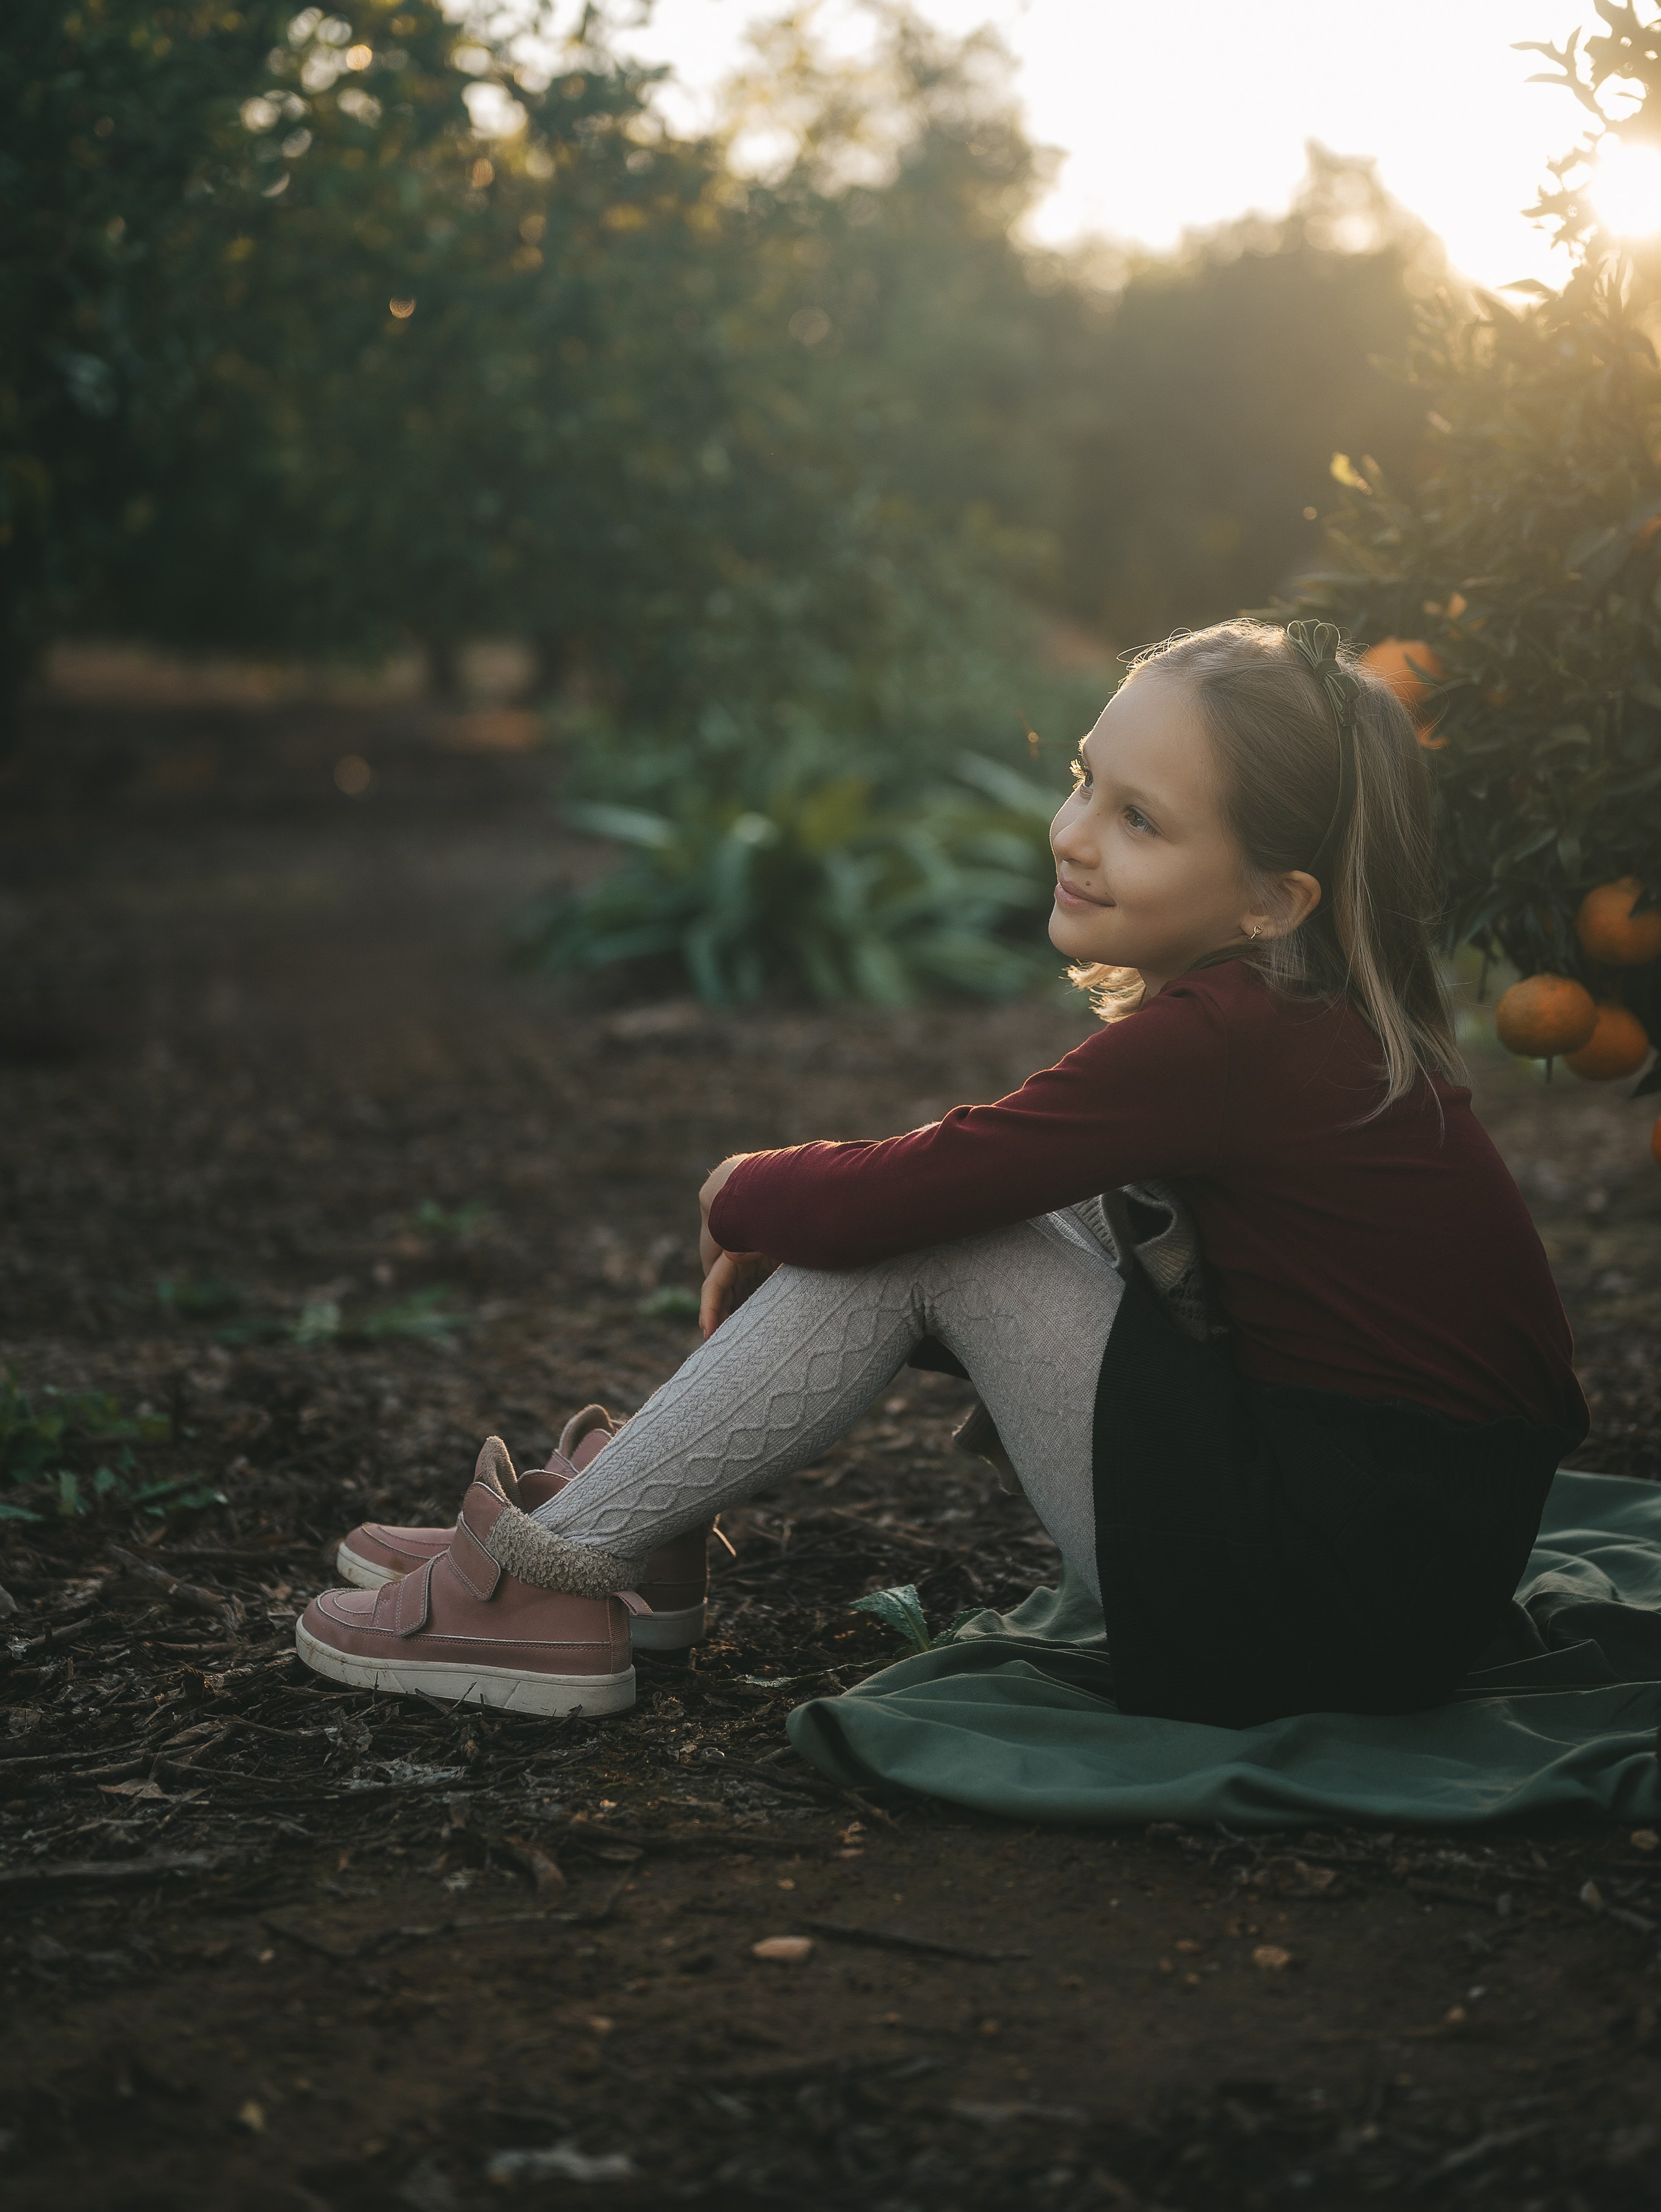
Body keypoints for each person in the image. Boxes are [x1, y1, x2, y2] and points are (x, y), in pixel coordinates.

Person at [297, 619, 1587, 1727]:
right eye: (1085, 780)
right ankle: (628, 1525)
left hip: (1314, 1618)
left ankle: (553, 1570)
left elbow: (920, 1194)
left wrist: (739, 1190)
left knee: (943, 1231)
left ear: (1274, 898)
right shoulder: (1298, 1023)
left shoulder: (1231, 1039)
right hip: (1381, 1585)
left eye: (1138, 820)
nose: (1074, 833)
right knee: (991, 1213)